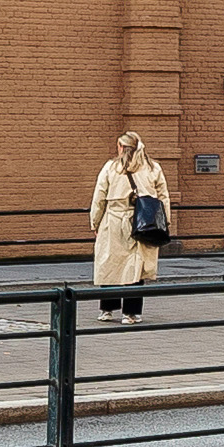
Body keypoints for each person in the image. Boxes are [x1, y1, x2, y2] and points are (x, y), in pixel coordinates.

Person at [88, 130, 171, 321]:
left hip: (113, 220)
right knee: (135, 268)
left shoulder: (111, 167)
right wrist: (165, 221)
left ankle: (107, 309)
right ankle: (131, 313)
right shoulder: (153, 168)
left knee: (110, 264)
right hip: (143, 222)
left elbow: (99, 197)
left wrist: (95, 222)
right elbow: (163, 196)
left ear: (121, 147)